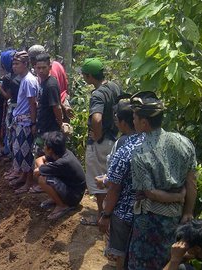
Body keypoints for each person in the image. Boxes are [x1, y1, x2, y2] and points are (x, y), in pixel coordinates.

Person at [127, 91, 197, 270]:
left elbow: (150, 192)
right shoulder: (184, 142)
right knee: (170, 260)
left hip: (150, 222)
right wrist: (188, 211)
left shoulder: (140, 154)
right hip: (176, 217)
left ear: (144, 122)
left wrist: (177, 197)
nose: (132, 121)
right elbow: (191, 182)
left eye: (134, 117)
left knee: (144, 264)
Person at [97, 98, 144, 269]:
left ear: (124, 122)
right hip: (144, 209)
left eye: (117, 119)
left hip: (123, 209)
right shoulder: (149, 141)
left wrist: (105, 214)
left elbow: (114, 184)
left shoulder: (123, 145)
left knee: (121, 252)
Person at [80, 58, 121, 226]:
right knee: (109, 178)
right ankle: (110, 213)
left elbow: (96, 119)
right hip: (113, 139)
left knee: (98, 181)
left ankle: (101, 216)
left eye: (84, 75)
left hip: (101, 142)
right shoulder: (114, 86)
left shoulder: (97, 94)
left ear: (90, 76)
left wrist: (96, 135)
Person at [7, 51, 38, 194]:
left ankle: (29, 182)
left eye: (17, 64)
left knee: (26, 153)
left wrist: (33, 123)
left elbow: (33, 104)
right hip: (20, 121)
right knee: (19, 151)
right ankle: (24, 177)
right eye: (13, 63)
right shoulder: (24, 79)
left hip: (26, 122)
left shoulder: (29, 81)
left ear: (25, 64)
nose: (14, 67)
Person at [36, 131, 86, 220]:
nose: (43, 147)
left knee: (42, 179)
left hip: (74, 197)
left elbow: (36, 172)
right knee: (44, 174)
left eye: (45, 145)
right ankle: (57, 199)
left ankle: (62, 206)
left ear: (50, 149)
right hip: (72, 189)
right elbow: (39, 159)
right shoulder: (61, 153)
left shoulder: (62, 162)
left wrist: (43, 168)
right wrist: (44, 168)